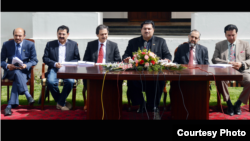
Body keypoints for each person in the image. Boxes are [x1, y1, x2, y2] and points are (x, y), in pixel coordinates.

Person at [122, 20, 172, 113]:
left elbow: (168, 56)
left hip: (155, 73)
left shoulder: (161, 41)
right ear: (141, 30)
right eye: (145, 29)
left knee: (160, 81)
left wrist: (166, 59)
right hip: (137, 72)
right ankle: (141, 104)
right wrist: (126, 58)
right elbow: (125, 55)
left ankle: (153, 105)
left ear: (153, 30)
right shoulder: (133, 42)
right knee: (131, 81)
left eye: (149, 29)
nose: (147, 31)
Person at [212, 24, 250, 116]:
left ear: (237, 34)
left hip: (241, 70)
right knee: (221, 81)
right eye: (229, 35)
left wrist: (242, 64)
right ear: (225, 35)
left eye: (233, 35)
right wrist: (228, 63)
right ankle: (229, 103)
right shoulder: (219, 45)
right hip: (226, 70)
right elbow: (214, 59)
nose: (231, 37)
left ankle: (238, 104)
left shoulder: (245, 44)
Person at [0, 28, 38, 116]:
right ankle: (27, 95)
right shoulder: (6, 44)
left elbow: (34, 60)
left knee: (17, 78)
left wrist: (26, 65)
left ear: (24, 36)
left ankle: (9, 106)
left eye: (20, 36)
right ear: (13, 35)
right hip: (11, 72)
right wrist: (7, 65)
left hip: (24, 71)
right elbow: (1, 60)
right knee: (16, 73)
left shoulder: (30, 44)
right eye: (16, 35)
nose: (17, 37)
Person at [43, 25, 80, 111]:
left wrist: (67, 64)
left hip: (68, 69)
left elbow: (77, 59)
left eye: (63, 34)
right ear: (57, 34)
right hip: (54, 68)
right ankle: (62, 102)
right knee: (51, 82)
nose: (61, 36)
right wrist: (55, 64)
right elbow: (45, 58)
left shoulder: (73, 44)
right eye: (59, 34)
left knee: (70, 81)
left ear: (68, 34)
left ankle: (60, 102)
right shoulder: (50, 44)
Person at [82, 24, 122, 90]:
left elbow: (118, 61)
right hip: (94, 71)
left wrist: (110, 67)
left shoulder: (113, 45)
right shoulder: (91, 45)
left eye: (106, 34)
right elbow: (85, 60)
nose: (104, 36)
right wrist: (92, 65)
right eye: (102, 34)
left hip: (108, 71)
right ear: (97, 35)